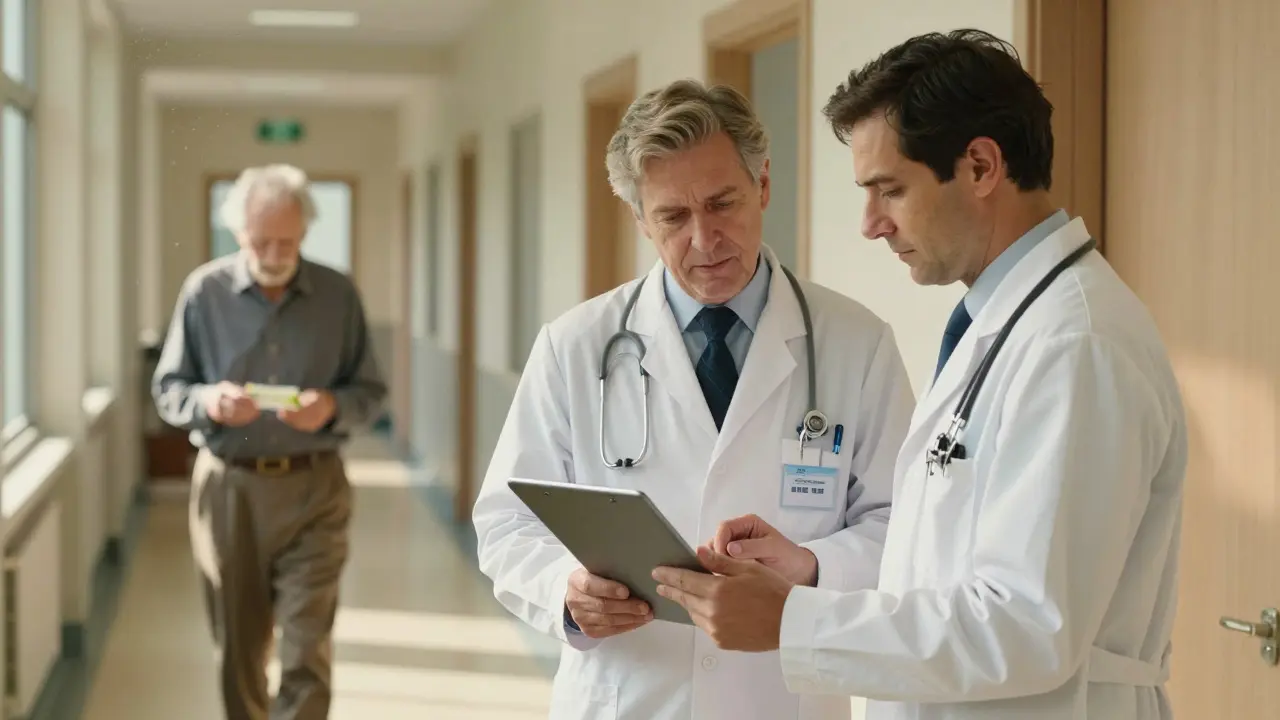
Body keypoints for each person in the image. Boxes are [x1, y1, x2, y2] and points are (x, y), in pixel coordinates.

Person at [653, 29, 1188, 720]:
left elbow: (1027, 626)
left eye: (889, 190)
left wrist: (792, 622)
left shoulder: (1074, 344)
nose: (871, 224)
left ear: (980, 166)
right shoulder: (1002, 325)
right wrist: (809, 572)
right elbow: (949, 567)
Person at [471, 79, 916, 720]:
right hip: (629, 696)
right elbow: (507, 522)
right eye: (673, 218)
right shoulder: (574, 346)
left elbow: (902, 523)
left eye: (722, 204)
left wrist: (812, 566)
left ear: (762, 186)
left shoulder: (857, 343)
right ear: (639, 218)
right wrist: (564, 591)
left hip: (781, 696)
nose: (704, 240)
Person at [152, 163, 387, 719]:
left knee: (307, 645)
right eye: (261, 240)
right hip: (230, 490)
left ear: (305, 232)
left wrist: (332, 407)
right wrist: (208, 402)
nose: (275, 252)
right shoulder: (204, 292)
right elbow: (168, 389)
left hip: (316, 488)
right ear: (239, 233)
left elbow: (370, 391)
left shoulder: (337, 293)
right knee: (240, 647)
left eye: (287, 240)